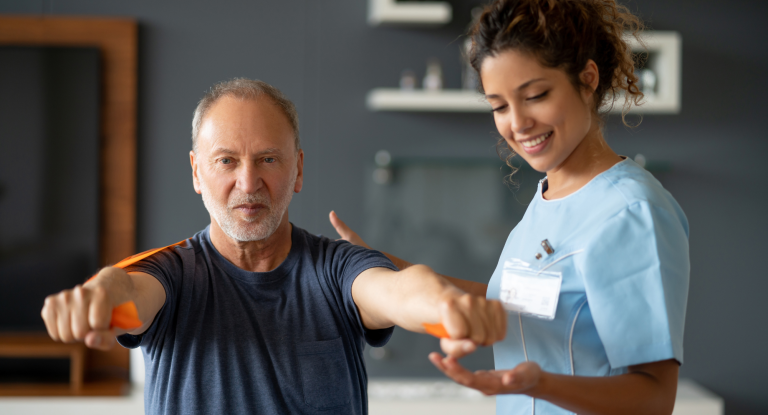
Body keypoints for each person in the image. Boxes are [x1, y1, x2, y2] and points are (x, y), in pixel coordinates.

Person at [40, 78, 507, 415]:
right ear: (197, 173)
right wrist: (98, 299)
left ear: (298, 170)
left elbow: (398, 292)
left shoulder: (335, 267)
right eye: (226, 161)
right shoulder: (171, 274)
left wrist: (444, 306)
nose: (248, 182)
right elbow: (126, 294)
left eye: (268, 159)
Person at [329, 0, 689, 414]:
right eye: (499, 105)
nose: (517, 123)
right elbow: (519, 303)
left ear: (588, 79)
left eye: (535, 95)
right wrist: (384, 267)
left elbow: (654, 397)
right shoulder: (547, 198)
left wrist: (541, 384)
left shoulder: (631, 211)